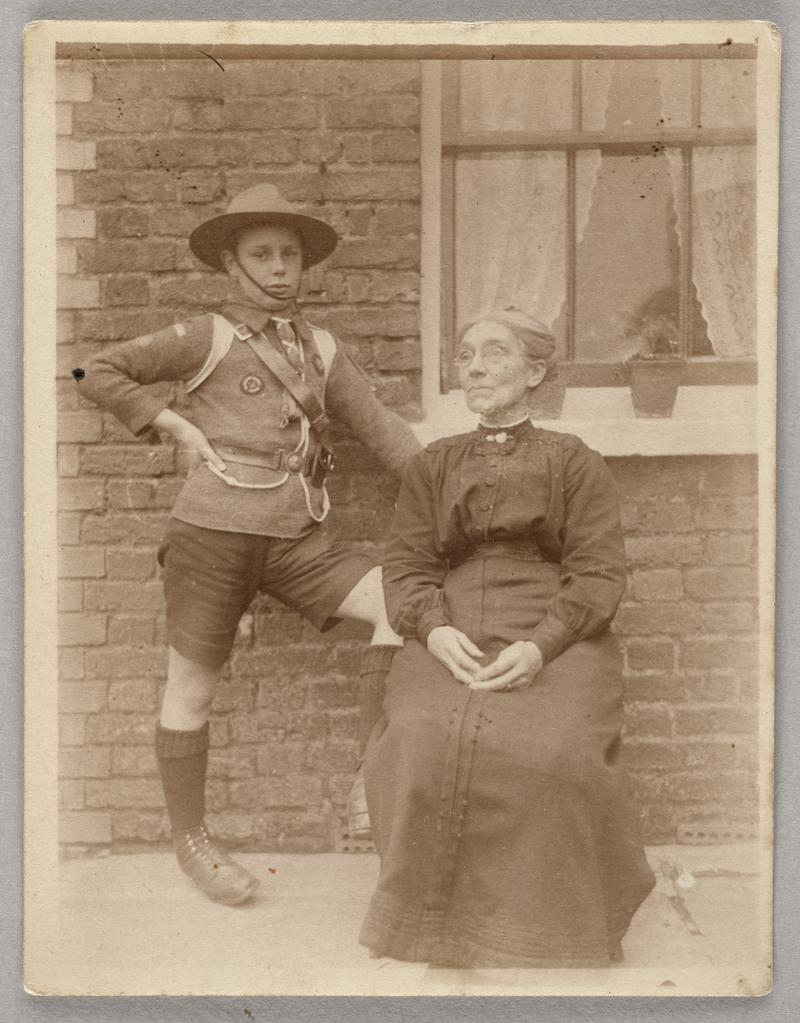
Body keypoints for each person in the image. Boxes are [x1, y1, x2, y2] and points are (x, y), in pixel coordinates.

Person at [77, 183, 420, 905]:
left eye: (289, 254)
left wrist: (459, 493)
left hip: (297, 537)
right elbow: (94, 371)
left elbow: (386, 434)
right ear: (231, 265)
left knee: (400, 604)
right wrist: (173, 424)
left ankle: (370, 779)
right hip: (211, 535)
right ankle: (192, 841)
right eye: (261, 255)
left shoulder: (323, 349)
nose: (279, 268)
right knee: (191, 690)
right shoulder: (205, 336)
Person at [359, 308, 655, 968]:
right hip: (453, 622)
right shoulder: (433, 465)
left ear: (535, 373)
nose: (476, 367)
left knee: (558, 750)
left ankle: (549, 931)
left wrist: (540, 647)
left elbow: (599, 573)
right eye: (466, 356)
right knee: (419, 738)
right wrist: (433, 630)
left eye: (495, 353)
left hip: (558, 629)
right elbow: (406, 566)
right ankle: (428, 928)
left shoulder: (574, 462)